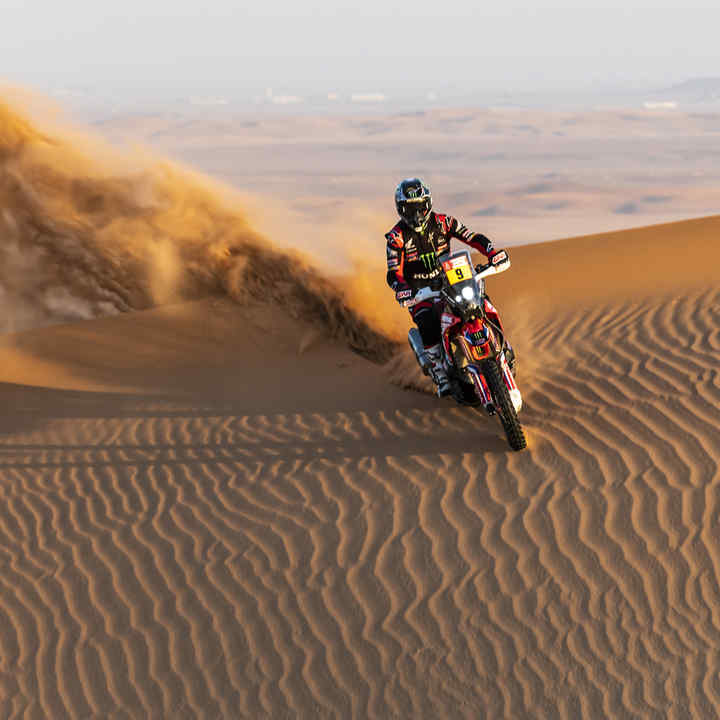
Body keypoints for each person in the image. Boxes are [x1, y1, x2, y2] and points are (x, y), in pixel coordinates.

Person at [385, 177, 509, 396]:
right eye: (410, 209)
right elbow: (393, 272)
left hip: (451, 281)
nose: (417, 214)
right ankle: (440, 372)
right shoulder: (396, 237)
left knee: (482, 302)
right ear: (400, 209)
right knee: (426, 321)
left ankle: (502, 345)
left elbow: (472, 237)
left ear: (428, 204)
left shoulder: (444, 222)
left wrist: (491, 252)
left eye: (420, 208)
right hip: (420, 292)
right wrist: (402, 288)